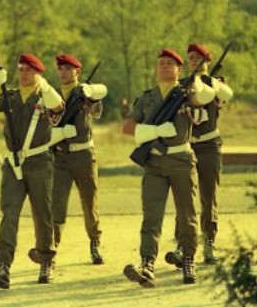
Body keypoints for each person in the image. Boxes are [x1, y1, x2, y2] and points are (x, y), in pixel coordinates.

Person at [122, 49, 215, 287]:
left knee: (187, 215)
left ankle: (188, 259)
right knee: (151, 217)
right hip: (153, 162)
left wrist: (196, 81)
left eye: (169, 64)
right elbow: (128, 126)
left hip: (181, 161)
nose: (164, 66)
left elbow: (202, 99)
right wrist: (153, 131)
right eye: (160, 63)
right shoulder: (147, 97)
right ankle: (147, 262)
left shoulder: (186, 94)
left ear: (179, 70)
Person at [0, 53, 64, 289]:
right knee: (9, 213)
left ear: (39, 73)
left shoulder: (45, 96)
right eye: (21, 69)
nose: (23, 73)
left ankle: (46, 260)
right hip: (13, 164)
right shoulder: (10, 97)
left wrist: (46, 87)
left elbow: (58, 107)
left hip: (39, 161)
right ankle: (3, 266)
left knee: (43, 213)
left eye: (29, 70)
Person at [28, 54, 107, 266]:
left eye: (67, 69)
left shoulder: (85, 93)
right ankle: (51, 250)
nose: (63, 72)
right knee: (56, 204)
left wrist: (89, 93)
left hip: (83, 155)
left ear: (77, 72)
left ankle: (95, 242)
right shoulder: (50, 95)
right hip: (59, 156)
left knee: (90, 203)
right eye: (60, 69)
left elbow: (98, 106)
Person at [165, 43, 234, 267]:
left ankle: (209, 242)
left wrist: (207, 81)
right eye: (191, 58)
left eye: (199, 58)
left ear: (208, 62)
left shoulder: (216, 84)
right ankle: (182, 245)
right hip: (187, 147)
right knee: (184, 198)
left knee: (208, 195)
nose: (195, 61)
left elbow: (225, 96)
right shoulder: (181, 85)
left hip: (209, 146)